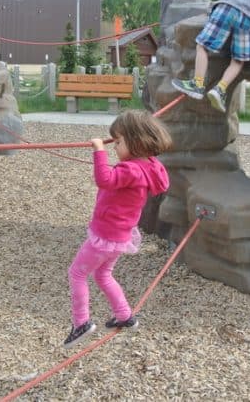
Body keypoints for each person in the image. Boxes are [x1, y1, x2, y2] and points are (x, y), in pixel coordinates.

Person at [64, 110, 172, 349]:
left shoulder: (130, 170)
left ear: (136, 142)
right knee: (103, 274)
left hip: (105, 235)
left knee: (77, 273)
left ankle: (80, 322)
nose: (115, 147)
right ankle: (124, 316)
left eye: (119, 141)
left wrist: (98, 150)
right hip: (120, 235)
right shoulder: (150, 166)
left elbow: (104, 179)